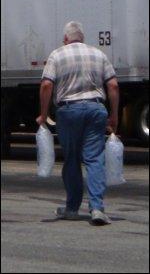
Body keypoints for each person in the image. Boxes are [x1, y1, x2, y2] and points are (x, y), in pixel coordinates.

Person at [36, 21, 119, 225]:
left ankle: (72, 208)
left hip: (68, 111)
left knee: (72, 158)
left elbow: (47, 85)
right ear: (82, 38)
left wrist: (43, 115)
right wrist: (114, 116)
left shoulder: (57, 55)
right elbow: (114, 86)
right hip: (95, 109)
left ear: (66, 39)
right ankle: (97, 208)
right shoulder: (99, 54)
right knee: (94, 158)